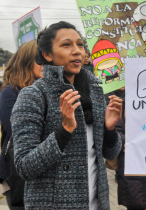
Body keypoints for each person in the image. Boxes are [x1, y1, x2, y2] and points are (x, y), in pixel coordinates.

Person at [10, 21, 122, 209]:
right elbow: (24, 167)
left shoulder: (94, 91)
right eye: (66, 45)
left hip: (97, 203)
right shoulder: (33, 96)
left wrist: (109, 130)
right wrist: (64, 131)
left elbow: (110, 154)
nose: (77, 51)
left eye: (80, 44)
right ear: (47, 54)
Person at [0, 40, 43, 209]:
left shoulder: (46, 88)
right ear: (26, 61)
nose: (46, 65)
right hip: (18, 174)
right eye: (40, 60)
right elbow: (20, 133)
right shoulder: (10, 92)